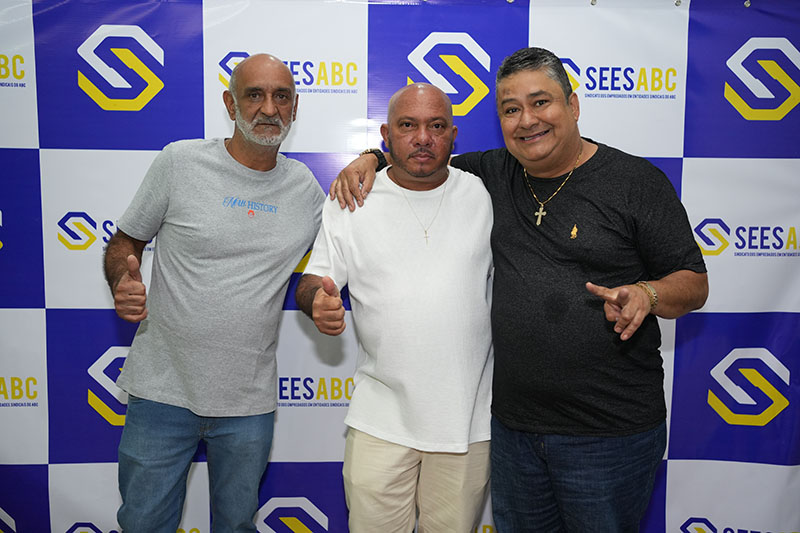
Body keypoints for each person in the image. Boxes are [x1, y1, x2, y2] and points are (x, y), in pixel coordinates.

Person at [331, 47, 709, 532]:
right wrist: (370, 157)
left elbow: (694, 283)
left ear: (573, 105)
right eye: (511, 109)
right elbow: (421, 155)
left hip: (607, 434)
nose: (527, 120)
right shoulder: (492, 173)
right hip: (514, 433)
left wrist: (646, 295)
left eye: (540, 102)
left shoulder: (635, 182)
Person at [103, 53, 324, 532]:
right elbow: (125, 243)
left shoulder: (306, 190)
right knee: (142, 524)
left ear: (295, 106)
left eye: (281, 96)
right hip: (161, 392)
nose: (269, 108)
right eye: (254, 95)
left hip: (248, 403)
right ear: (230, 103)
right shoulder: (180, 162)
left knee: (237, 525)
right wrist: (122, 278)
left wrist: (370, 158)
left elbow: (324, 268)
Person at [295, 83, 493, 533]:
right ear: (386, 135)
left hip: (467, 422)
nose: (422, 138)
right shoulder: (351, 199)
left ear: (453, 135)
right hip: (379, 421)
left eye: (436, 126)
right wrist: (317, 301)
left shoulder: (484, 195)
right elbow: (313, 279)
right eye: (407, 126)